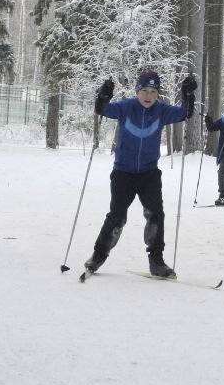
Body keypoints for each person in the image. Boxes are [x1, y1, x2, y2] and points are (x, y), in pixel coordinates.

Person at [84, 69, 196, 279]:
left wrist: (187, 94)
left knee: (156, 214)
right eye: (144, 90)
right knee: (116, 216)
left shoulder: (162, 111)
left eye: (153, 92)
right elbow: (103, 110)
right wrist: (104, 95)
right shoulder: (126, 108)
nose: (148, 96)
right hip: (123, 173)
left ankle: (156, 261)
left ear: (158, 94)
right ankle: (98, 255)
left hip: (149, 173)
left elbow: (184, 113)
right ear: (137, 91)